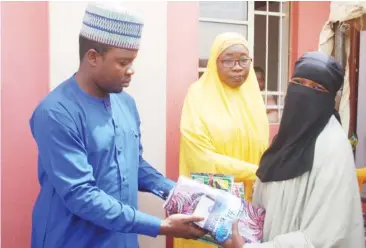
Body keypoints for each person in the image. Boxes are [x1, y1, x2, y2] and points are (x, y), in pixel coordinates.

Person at [29, 3, 205, 248]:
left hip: (121, 240)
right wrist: (161, 227)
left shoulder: (126, 104)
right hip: (72, 239)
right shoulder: (56, 113)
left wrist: (178, 192)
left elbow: (133, 165)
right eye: (123, 62)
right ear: (92, 57)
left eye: (132, 62)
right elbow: (81, 195)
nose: (131, 71)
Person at [219, 51, 365, 248]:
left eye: (316, 87)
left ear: (330, 98)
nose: (304, 92)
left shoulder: (332, 148)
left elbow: (321, 237)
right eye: (298, 82)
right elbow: (263, 211)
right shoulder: (283, 143)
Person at [177, 32, 270, 248]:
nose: (237, 67)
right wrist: (255, 171)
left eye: (243, 60)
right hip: (210, 209)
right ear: (214, 62)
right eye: (228, 60)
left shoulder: (253, 97)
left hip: (249, 208)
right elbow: (200, 158)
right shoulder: (198, 96)